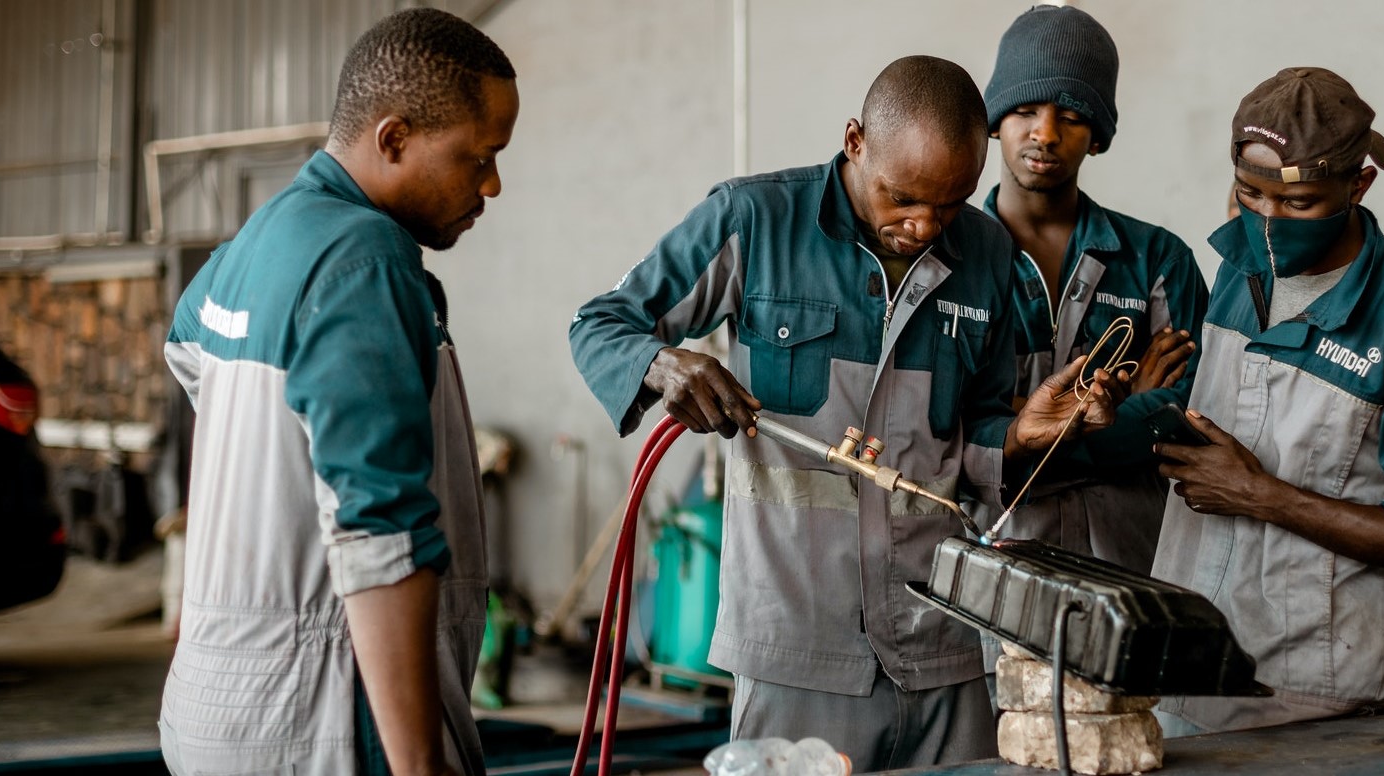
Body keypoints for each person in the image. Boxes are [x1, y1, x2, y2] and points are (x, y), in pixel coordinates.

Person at [569, 55, 1124, 770]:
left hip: (943, 641)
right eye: (902, 198)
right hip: (798, 647)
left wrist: (1021, 433)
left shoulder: (985, 252)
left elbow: (975, 430)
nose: (924, 226)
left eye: (950, 204)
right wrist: (658, 363)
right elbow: (601, 323)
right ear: (856, 141)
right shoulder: (756, 221)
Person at [159, 9, 517, 775]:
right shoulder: (363, 258)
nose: (491, 183)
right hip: (331, 715)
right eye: (477, 156)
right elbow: (379, 531)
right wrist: (419, 765)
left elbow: (184, 349)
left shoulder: (256, 242)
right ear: (392, 140)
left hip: (221, 702)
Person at [1149, 67, 1384, 734]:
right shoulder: (1235, 271)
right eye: (1250, 195)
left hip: (1317, 701)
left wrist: (1261, 495)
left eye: (1299, 204)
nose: (1270, 223)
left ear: (1358, 185)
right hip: (1188, 669)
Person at [977, 4, 1207, 572]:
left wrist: (1019, 429)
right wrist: (1125, 406)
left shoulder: (1157, 259)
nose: (1046, 133)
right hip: (991, 568)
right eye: (1025, 109)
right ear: (994, 120)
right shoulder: (952, 261)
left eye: (1073, 116)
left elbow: (1195, 413)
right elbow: (943, 420)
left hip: (1130, 566)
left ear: (1098, 137)